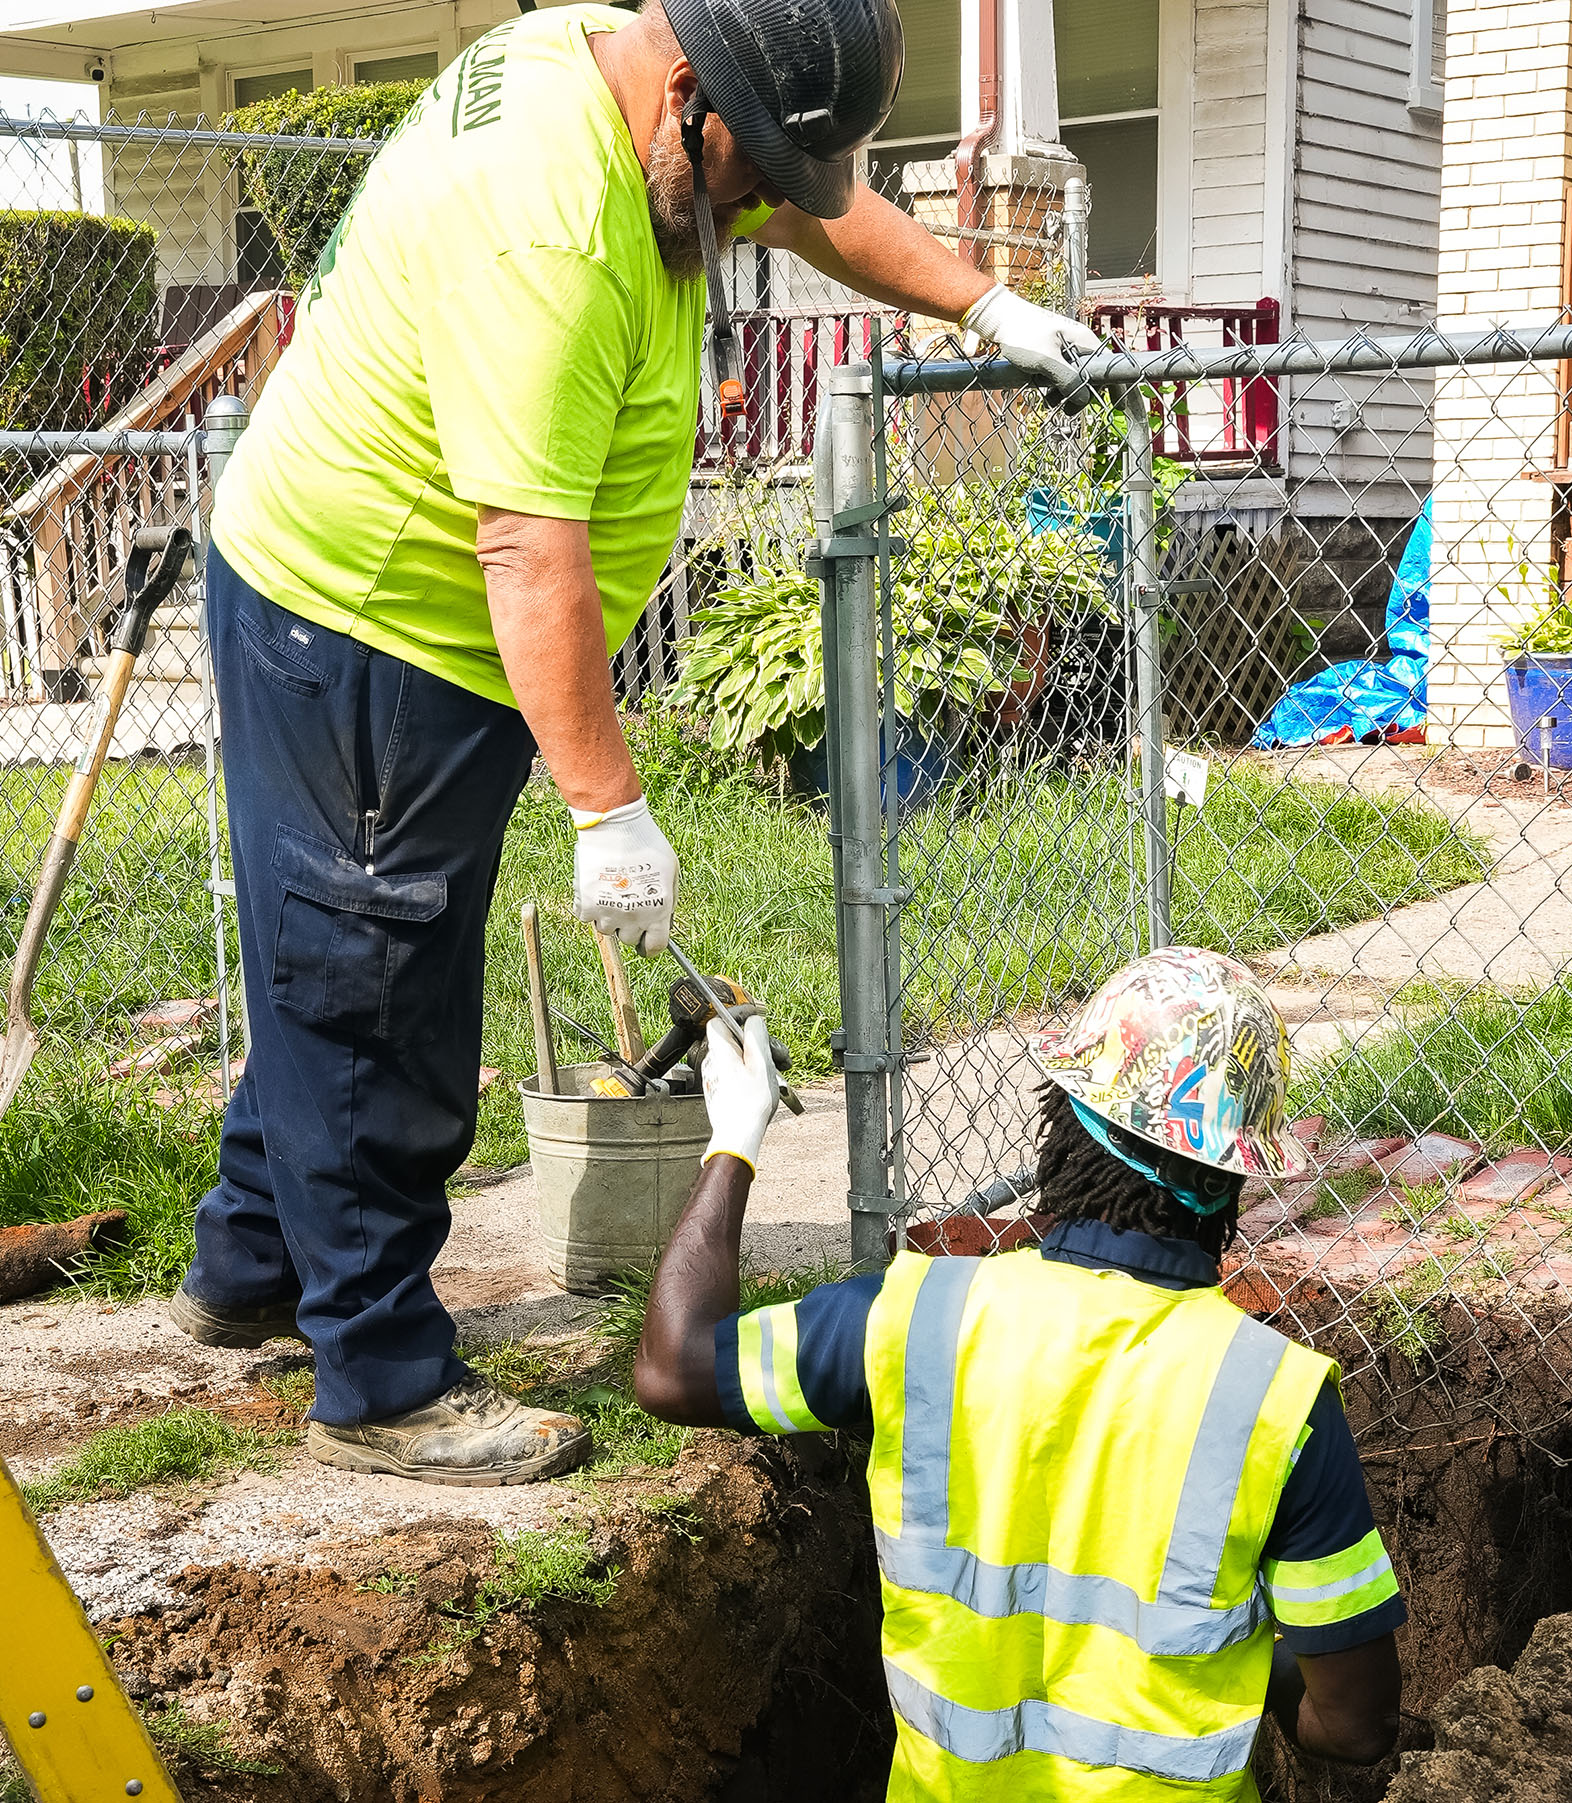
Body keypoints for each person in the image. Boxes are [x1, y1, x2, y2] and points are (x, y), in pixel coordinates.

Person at [167, 0, 1103, 1487]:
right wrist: (610, 807)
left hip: (397, 602)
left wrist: (981, 307)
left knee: (341, 949)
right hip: (375, 613)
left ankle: (253, 1261)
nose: (750, 213)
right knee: (371, 969)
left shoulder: (624, 72)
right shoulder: (544, 217)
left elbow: (825, 210)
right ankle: (381, 1375)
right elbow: (528, 550)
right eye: (745, 174)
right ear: (686, 90)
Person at [636, 947, 1405, 1798]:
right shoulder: (1276, 1399)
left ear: (1062, 1123)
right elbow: (1354, 1724)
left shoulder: (912, 1318)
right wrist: (1233, 1648)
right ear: (1235, 1177)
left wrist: (735, 1138)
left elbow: (674, 1367)